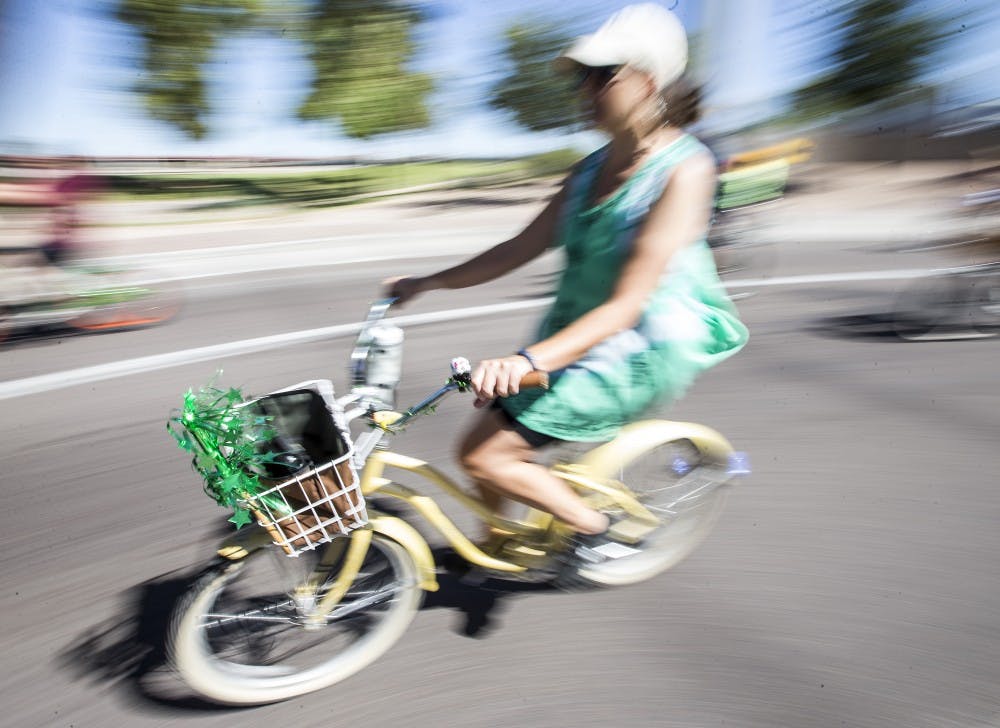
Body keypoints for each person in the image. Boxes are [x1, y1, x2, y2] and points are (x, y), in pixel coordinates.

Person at [386, 3, 748, 561]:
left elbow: (630, 304)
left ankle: (595, 531)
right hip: (578, 332)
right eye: (582, 76)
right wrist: (427, 282)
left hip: (638, 345)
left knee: (485, 455)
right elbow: (519, 247)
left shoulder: (685, 169)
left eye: (601, 76)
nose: (584, 87)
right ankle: (498, 543)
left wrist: (530, 362)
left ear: (648, 82)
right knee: (491, 435)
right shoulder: (586, 172)